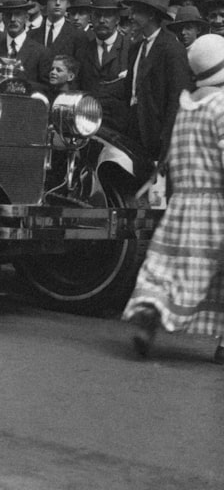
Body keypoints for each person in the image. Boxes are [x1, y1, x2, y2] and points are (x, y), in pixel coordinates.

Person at [123, 33, 224, 364]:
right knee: (215, 272)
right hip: (215, 205)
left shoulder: (187, 105)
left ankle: (151, 311)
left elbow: (178, 156)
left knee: (168, 266)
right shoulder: (221, 107)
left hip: (183, 204)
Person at [123, 0, 192, 165]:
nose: (130, 17)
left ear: (151, 15)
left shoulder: (172, 49)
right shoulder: (136, 48)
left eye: (136, 12)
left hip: (157, 139)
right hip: (132, 133)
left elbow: (177, 100)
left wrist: (166, 144)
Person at [77, 0, 133, 134]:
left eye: (108, 15)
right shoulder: (82, 49)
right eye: (97, 15)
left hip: (121, 131)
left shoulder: (130, 49)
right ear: (91, 18)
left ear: (118, 18)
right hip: (87, 127)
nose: (102, 20)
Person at [0, 0, 51, 93]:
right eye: (8, 15)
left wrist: (20, 87)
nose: (12, 19)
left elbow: (46, 88)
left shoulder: (41, 52)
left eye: (17, 14)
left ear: (26, 17)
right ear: (3, 18)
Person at [29, 0, 89, 65]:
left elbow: (80, 70)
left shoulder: (78, 36)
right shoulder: (31, 35)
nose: (57, 3)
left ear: (67, 3)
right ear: (46, 2)